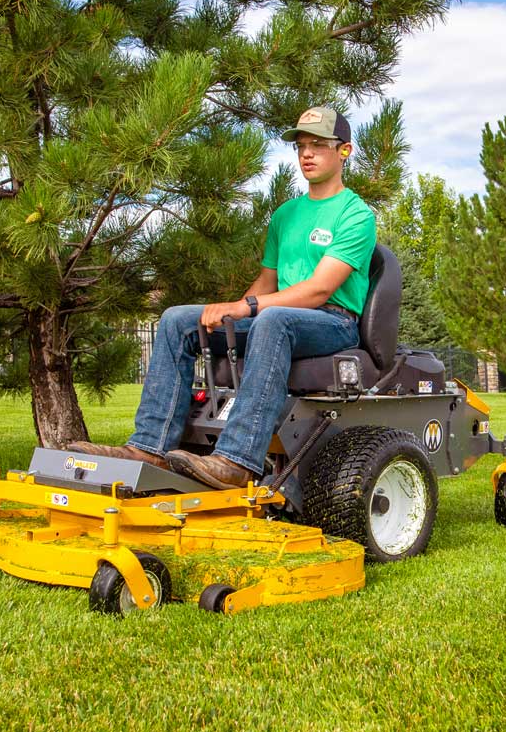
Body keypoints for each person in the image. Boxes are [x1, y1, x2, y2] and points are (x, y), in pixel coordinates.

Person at [70, 105, 376, 489]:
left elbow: (319, 289)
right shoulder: (286, 215)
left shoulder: (355, 214)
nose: (307, 154)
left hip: (333, 322)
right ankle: (149, 447)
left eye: (318, 144)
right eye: (300, 146)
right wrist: (235, 315)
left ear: (344, 151)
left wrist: (246, 308)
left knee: (272, 318)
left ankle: (237, 461)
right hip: (278, 316)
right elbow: (267, 280)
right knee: (178, 319)